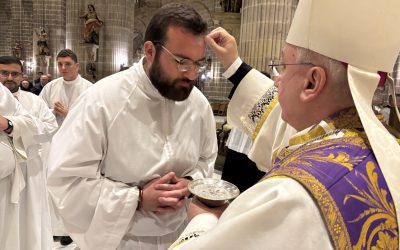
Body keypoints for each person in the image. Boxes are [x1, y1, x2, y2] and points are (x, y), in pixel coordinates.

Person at [168, 0, 400, 249]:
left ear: (312, 82)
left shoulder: (290, 196)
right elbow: (280, 124)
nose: (277, 81)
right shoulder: (384, 150)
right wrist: (235, 67)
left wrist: (203, 221)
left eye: (284, 66)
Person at [47, 3, 217, 249]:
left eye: (198, 64)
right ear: (149, 51)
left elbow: (206, 159)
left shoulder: (198, 104)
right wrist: (136, 198)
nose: (191, 75)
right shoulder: (102, 99)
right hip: (123, 238)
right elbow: (66, 180)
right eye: (182, 61)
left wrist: (190, 181)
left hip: (182, 235)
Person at [0, 57, 56, 250]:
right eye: (4, 73)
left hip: (30, 170)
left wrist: (11, 125)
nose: (9, 77)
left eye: (14, 73)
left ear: (22, 76)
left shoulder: (34, 101)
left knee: (30, 219)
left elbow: (50, 128)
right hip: (2, 174)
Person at [40, 49, 92, 127]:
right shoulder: (50, 87)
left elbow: (93, 117)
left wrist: (69, 114)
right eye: (60, 64)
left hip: (78, 135)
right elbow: (39, 111)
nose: (63, 68)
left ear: (77, 66)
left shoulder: (89, 88)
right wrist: (53, 111)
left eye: (67, 64)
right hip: (54, 135)